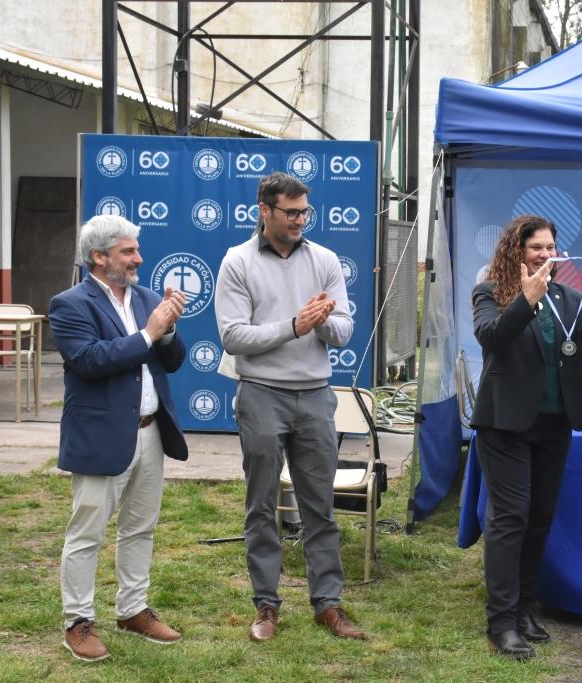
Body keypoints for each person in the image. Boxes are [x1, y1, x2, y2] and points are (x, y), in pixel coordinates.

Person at [214, 171, 363, 643]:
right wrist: (294, 325)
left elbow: (343, 329)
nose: (301, 220)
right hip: (260, 394)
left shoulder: (324, 259)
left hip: (316, 396)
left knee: (320, 507)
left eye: (305, 212)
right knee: (261, 506)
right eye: (292, 212)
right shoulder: (237, 261)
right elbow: (234, 337)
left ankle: (329, 605)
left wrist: (320, 323)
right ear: (265, 211)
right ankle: (266, 605)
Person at [471, 215, 582, 660]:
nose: (545, 254)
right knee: (510, 519)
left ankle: (523, 609)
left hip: (555, 424)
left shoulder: (567, 297)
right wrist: (524, 299)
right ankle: (500, 622)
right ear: (516, 251)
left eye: (550, 246)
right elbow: (491, 337)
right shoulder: (490, 292)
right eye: (536, 247)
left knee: (539, 519)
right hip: (505, 425)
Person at [49, 214, 188, 662]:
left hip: (150, 432)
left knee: (140, 528)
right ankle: (77, 621)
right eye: (128, 251)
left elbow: (173, 361)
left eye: (136, 250)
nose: (138, 258)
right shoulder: (70, 304)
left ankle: (132, 609)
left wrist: (167, 331)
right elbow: (89, 360)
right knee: (87, 532)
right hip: (100, 436)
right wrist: (150, 331)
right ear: (99, 256)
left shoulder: (147, 296)